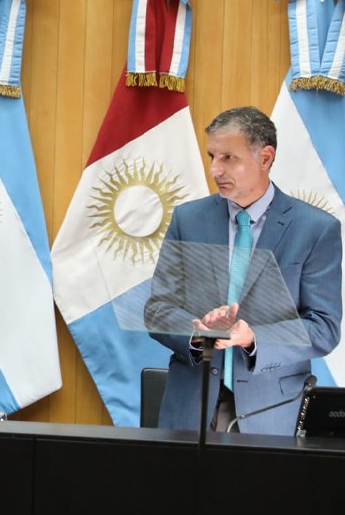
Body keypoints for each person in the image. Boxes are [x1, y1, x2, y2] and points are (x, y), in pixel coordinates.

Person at [145, 106, 342, 435]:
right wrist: (196, 334)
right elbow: (158, 309)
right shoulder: (188, 219)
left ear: (265, 158)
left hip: (272, 413)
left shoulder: (315, 230)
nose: (215, 170)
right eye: (212, 156)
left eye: (228, 158)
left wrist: (253, 338)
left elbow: (323, 328)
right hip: (191, 407)